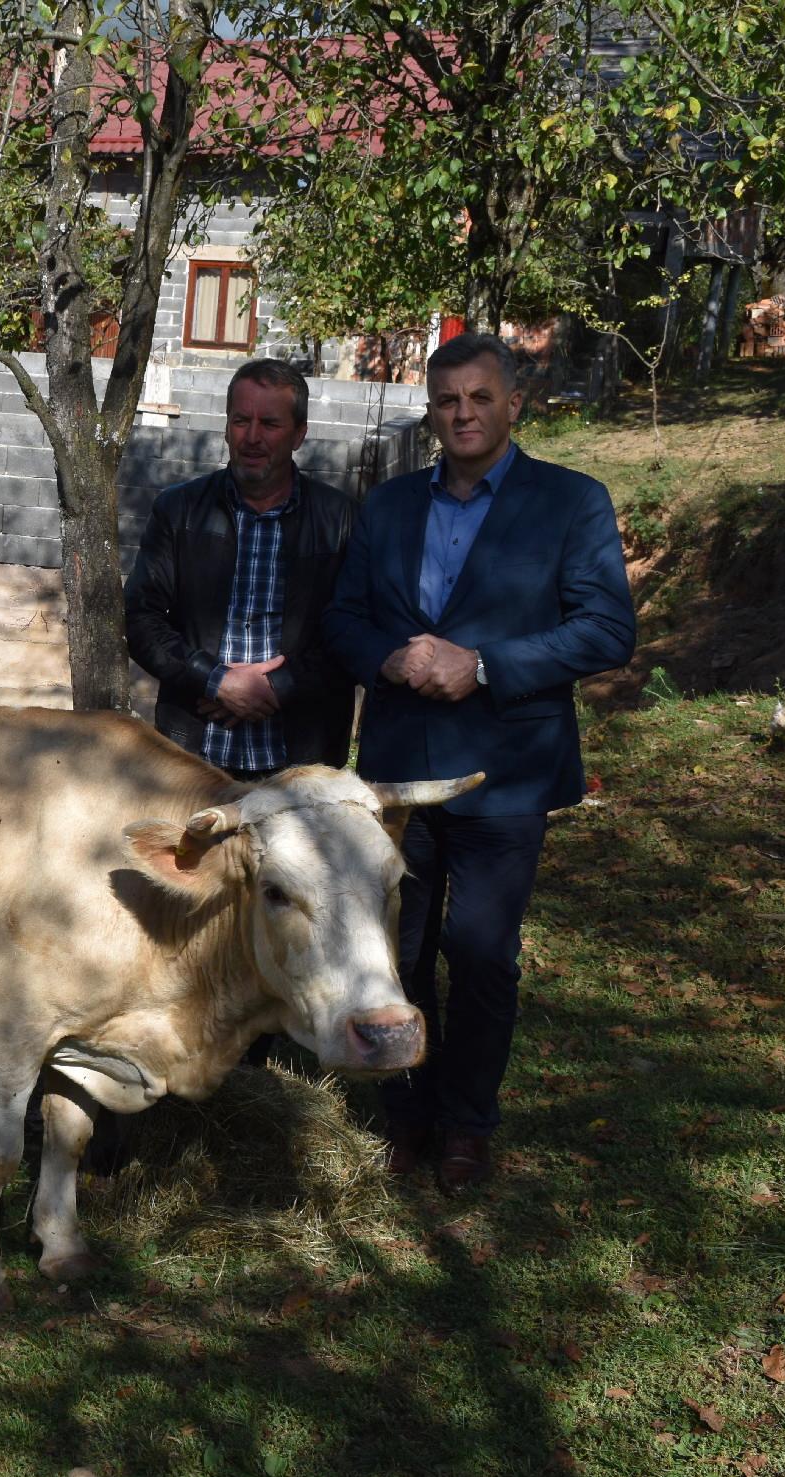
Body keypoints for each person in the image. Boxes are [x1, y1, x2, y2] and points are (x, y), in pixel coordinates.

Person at [324, 332, 636, 1194]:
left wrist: (485, 664)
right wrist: (387, 658)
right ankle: (408, 1114)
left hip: (507, 768)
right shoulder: (388, 506)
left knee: (484, 952)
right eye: (447, 400)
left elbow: (608, 628)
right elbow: (344, 618)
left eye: (479, 398)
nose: (462, 413)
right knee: (404, 949)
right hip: (398, 772)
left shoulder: (570, 502)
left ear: (514, 404)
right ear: (432, 410)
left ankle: (468, 1124)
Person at [124, 358, 360, 780]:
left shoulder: (339, 519)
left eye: (269, 423)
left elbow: (350, 633)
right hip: (194, 755)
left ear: (299, 433)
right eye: (240, 421)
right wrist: (215, 681)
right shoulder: (179, 510)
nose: (252, 437)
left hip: (301, 760)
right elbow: (141, 620)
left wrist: (275, 687)